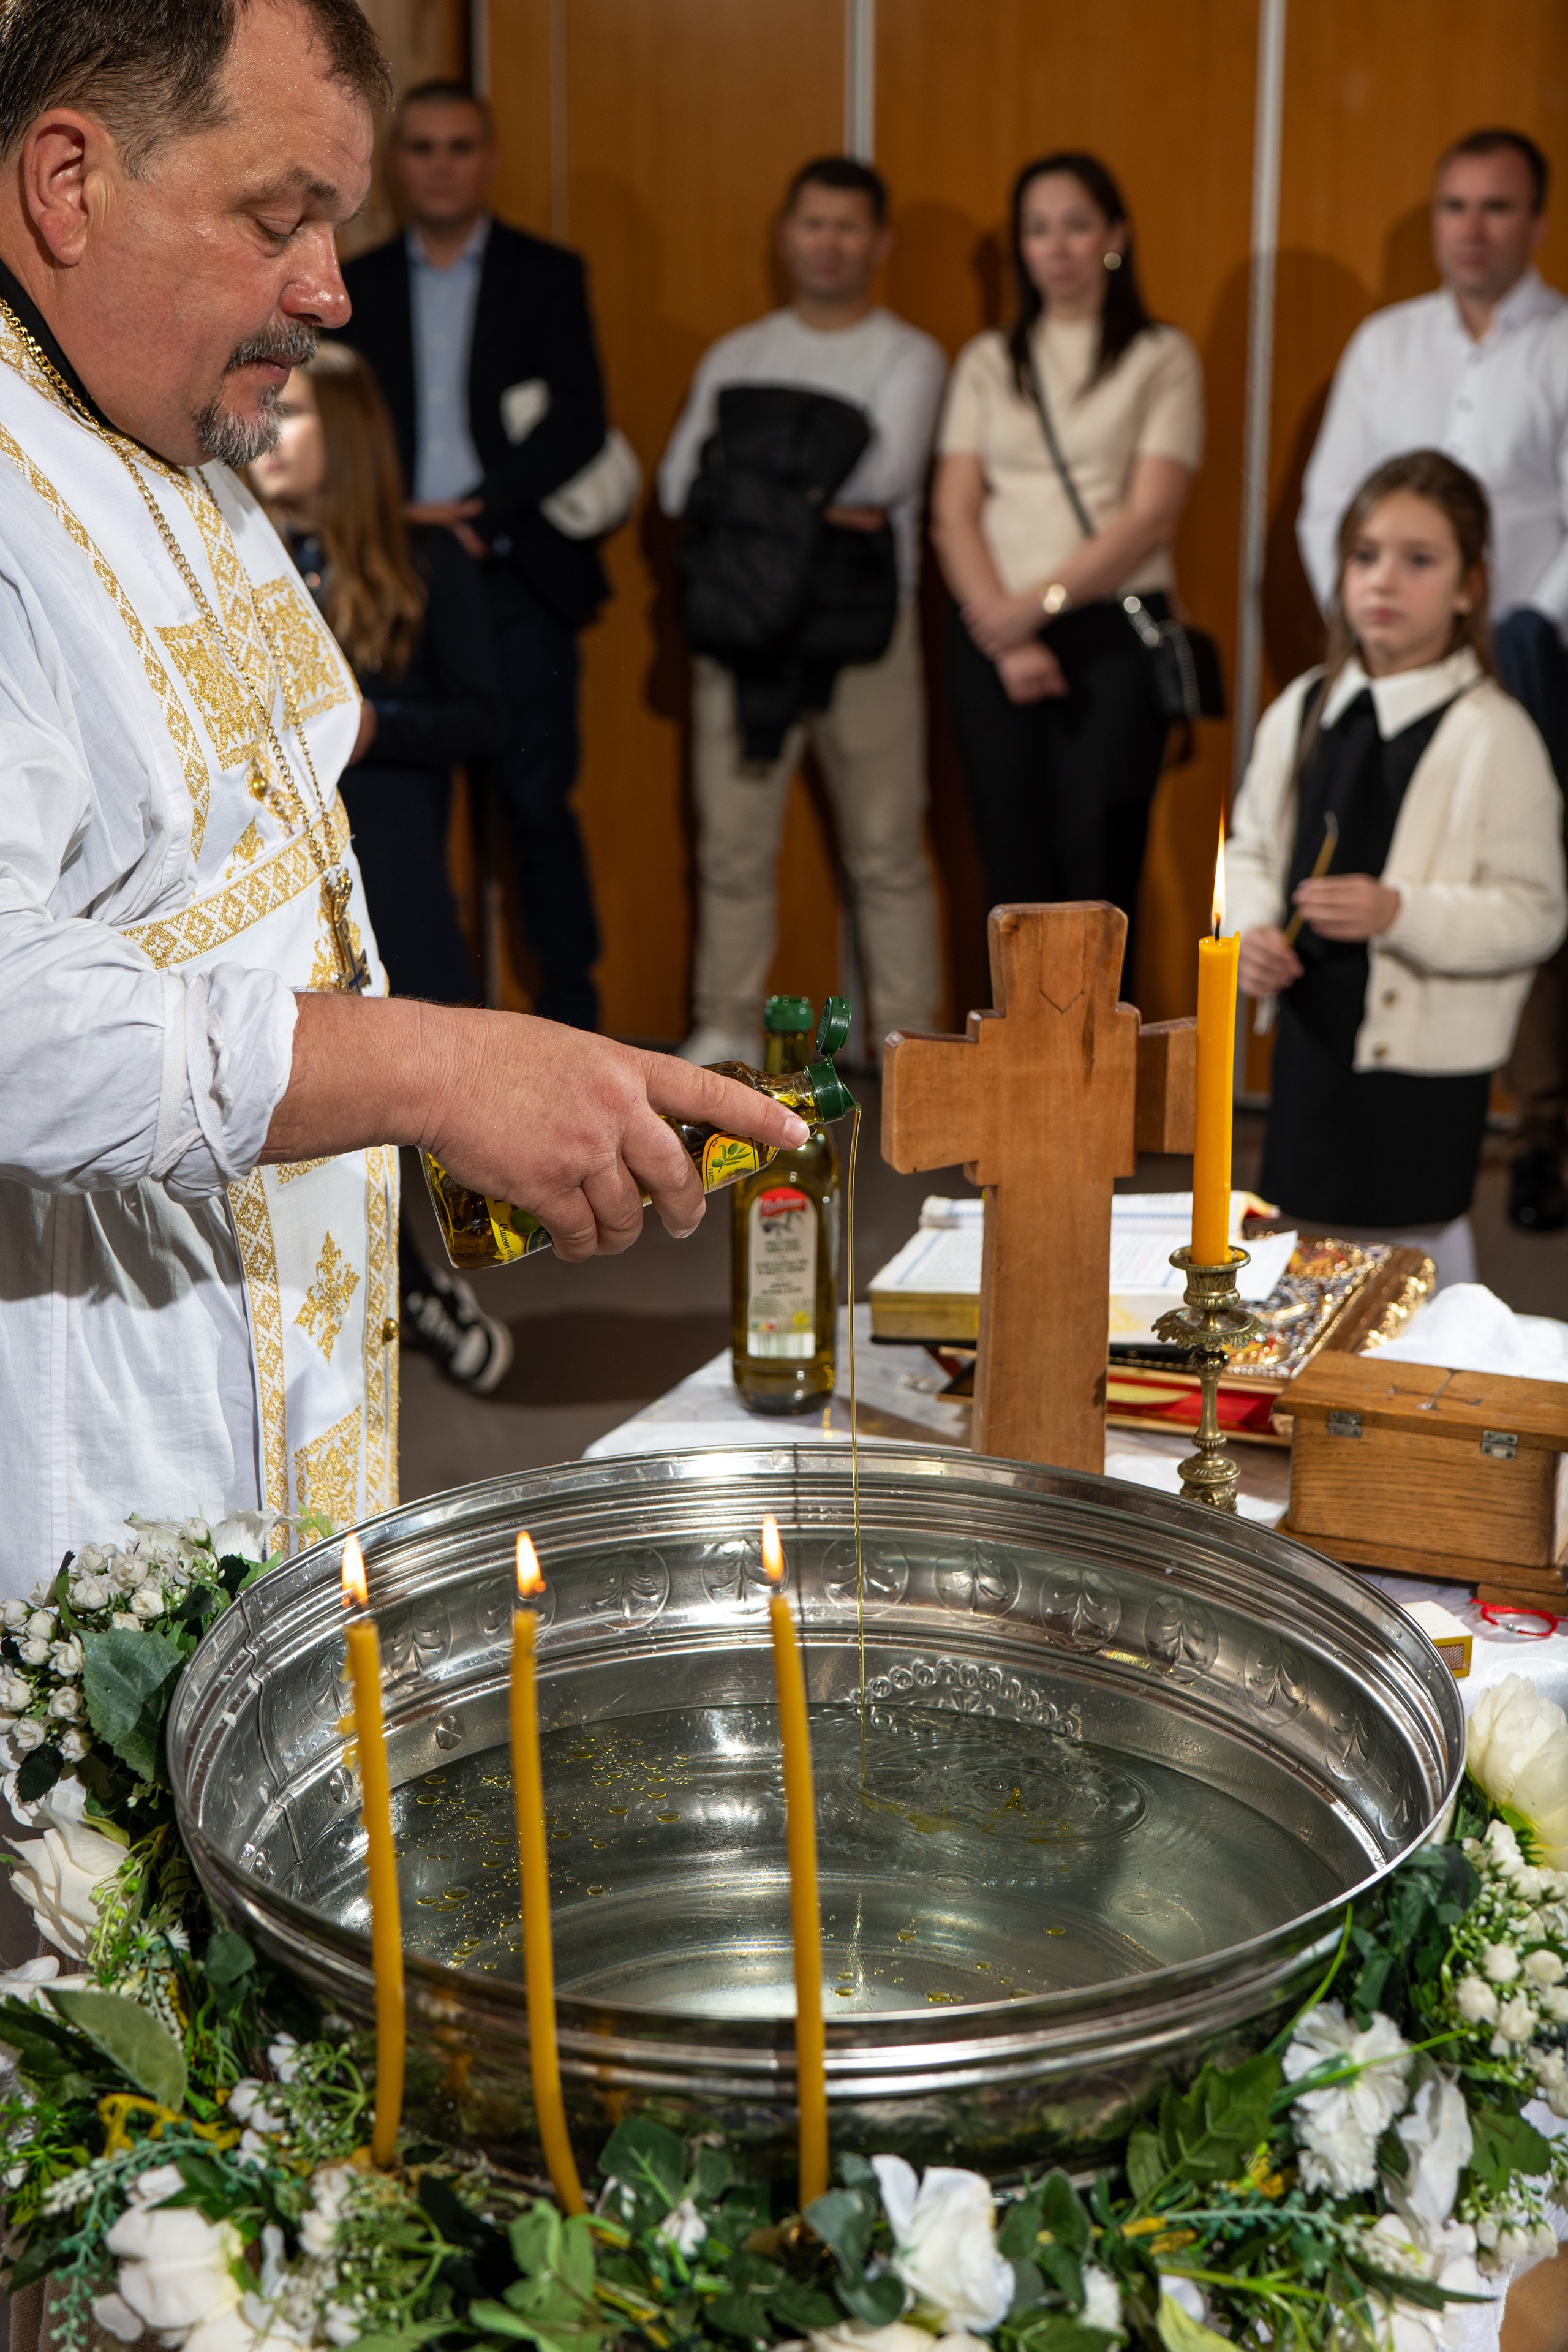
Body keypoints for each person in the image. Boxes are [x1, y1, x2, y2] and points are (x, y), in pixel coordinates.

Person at [0, 0, 807, 1601]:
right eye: (278, 215)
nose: (329, 289)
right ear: (69, 184)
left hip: (285, 1361)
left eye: (337, 225)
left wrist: (491, 1085)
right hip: (93, 1430)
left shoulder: (161, 418)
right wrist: (432, 1070)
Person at [1297, 128, 1568, 1233]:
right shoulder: (1385, 343)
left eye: (1496, 208)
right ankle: (1361, 1101)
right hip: (1386, 657)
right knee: (1365, 859)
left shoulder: (1560, 344)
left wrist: (1522, 628)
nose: (1472, 228)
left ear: (1535, 221)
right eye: (1455, 205)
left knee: (1519, 874)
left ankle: (1541, 1118)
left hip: (1533, 648)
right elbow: (1331, 506)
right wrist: (1371, 619)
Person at [249, 340, 515, 1396]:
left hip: (393, 871)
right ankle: (389, 1291)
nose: (268, 436)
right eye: (265, 411)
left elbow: (488, 716)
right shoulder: (238, 561)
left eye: (295, 414)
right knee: (315, 1103)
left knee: (412, 1095)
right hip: (281, 891)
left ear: (349, 436)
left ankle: (430, 1285)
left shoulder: (423, 563)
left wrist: (371, 728)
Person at [1232, 452, 1566, 1291]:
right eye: (1365, 555)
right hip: (1314, 1034)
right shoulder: (1305, 705)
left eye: (1419, 561)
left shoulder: (1495, 734)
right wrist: (1252, 930)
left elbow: (1536, 912)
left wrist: (1398, 912)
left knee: (1417, 1249)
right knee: (1305, 1239)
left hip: (1426, 1065)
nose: (1384, 580)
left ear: (1468, 585)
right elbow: (1251, 848)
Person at [658, 156, 947, 1066]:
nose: (828, 243)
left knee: (889, 854)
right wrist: (814, 490)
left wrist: (749, 484)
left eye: (848, 226)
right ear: (787, 237)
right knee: (733, 849)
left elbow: (884, 477)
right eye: (813, 224)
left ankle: (906, 1042)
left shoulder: (910, 354)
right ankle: (725, 1024)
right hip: (741, 634)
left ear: (880, 242)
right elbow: (676, 486)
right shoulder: (737, 354)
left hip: (865, 637)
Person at [340, 79, 611, 1031]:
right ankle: (420, 1030)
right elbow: (338, 425)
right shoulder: (355, 282)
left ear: (488, 160)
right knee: (407, 817)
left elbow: (582, 421)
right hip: (394, 576)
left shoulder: (548, 274)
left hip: (513, 572)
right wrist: (397, 516)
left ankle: (573, 1022)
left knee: (539, 808)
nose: (442, 164)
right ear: (396, 164)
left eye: (460, 146)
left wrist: (476, 510)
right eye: (422, 147)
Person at [930, 152, 1203, 959]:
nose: (1057, 246)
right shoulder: (988, 359)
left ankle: (1100, 1081)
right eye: (1038, 229)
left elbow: (1151, 515)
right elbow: (953, 513)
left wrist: (1036, 608)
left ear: (1114, 236)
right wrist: (1005, 631)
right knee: (1010, 874)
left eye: (1077, 225)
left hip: (1111, 632)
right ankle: (1017, 1080)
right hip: (992, 633)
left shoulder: (1161, 356)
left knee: (1098, 875)